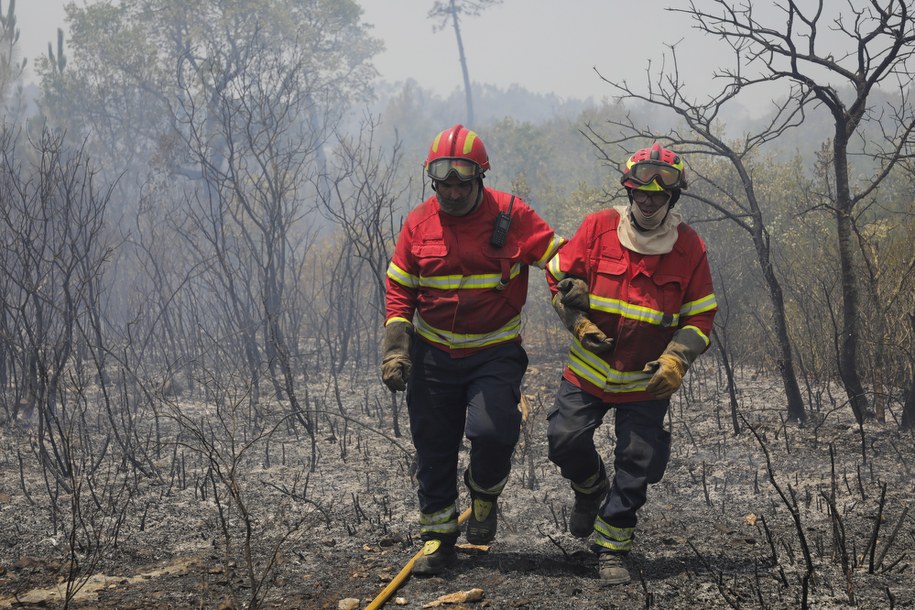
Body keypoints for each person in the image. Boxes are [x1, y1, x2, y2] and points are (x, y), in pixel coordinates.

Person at [381, 124, 565, 575]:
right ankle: (438, 540)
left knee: (493, 432)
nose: (453, 191)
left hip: (494, 350)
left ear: (480, 176)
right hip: (433, 353)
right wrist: (396, 350)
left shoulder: (511, 215)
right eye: (443, 182)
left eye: (462, 181)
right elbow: (400, 288)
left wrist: (572, 293)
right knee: (433, 447)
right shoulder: (418, 224)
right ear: (432, 179)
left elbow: (559, 257)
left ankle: (484, 495)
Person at [545, 143, 717, 584]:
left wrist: (677, 359)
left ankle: (612, 549)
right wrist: (575, 311)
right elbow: (557, 273)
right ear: (629, 189)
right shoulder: (599, 227)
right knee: (564, 441)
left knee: (637, 463)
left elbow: (700, 316)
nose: (649, 199)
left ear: (672, 196)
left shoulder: (688, 246)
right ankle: (590, 488)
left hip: (645, 381)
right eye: (642, 191)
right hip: (589, 372)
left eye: (659, 193)